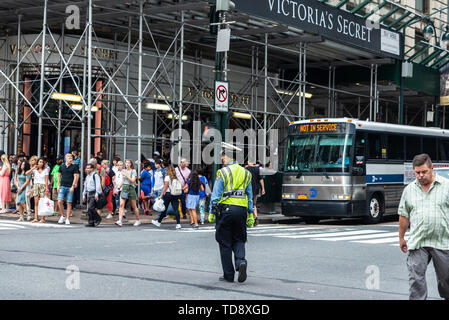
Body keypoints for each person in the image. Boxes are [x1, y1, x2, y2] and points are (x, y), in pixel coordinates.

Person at [398, 153, 449, 300]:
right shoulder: (409, 190)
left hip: (443, 241)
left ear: (432, 168)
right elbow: (404, 215)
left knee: (446, 279)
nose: (420, 176)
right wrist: (401, 237)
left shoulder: (446, 186)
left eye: (424, 172)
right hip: (418, 241)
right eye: (417, 172)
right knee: (415, 278)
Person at [208, 144, 254, 283]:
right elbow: (249, 196)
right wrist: (250, 213)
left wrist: (211, 212)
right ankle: (241, 261)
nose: (222, 158)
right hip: (241, 210)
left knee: (224, 242)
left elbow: (215, 196)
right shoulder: (247, 173)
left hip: (226, 210)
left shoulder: (223, 172)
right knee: (239, 239)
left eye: (223, 156)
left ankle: (228, 275)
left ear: (229, 156)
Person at [151, 165, 183, 229]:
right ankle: (178, 224)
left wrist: (161, 195)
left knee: (164, 208)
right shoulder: (176, 177)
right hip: (175, 194)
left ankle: (159, 222)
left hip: (168, 194)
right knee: (176, 209)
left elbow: (165, 187)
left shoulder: (167, 177)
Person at [115, 159, 141, 227]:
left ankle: (138, 220)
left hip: (131, 188)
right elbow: (123, 181)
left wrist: (126, 175)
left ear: (131, 164)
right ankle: (120, 221)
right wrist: (118, 188)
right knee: (121, 204)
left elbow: (132, 180)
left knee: (134, 206)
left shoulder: (133, 171)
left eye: (128, 163)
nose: (127, 164)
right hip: (124, 188)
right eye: (126, 163)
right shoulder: (123, 170)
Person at [57, 153, 80, 225]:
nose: (71, 159)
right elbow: (59, 176)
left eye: (71, 158)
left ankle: (67, 218)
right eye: (69, 158)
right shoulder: (62, 166)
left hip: (70, 186)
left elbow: (76, 176)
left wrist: (73, 186)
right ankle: (63, 215)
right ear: (65, 159)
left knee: (69, 203)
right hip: (62, 185)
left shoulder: (74, 167)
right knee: (59, 201)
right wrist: (58, 185)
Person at [29, 158, 49, 223]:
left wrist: (46, 188)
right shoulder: (35, 170)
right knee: (36, 202)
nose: (41, 163)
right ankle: (36, 217)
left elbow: (46, 181)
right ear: (37, 163)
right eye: (39, 162)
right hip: (36, 185)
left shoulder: (45, 170)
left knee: (42, 202)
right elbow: (27, 173)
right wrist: (33, 168)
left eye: (42, 162)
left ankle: (43, 218)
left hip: (42, 185)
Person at [245, 161, 265, 227]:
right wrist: (263, 188)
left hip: (248, 189)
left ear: (248, 162)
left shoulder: (246, 169)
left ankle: (248, 220)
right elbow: (261, 179)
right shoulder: (257, 169)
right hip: (256, 189)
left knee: (247, 204)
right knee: (254, 204)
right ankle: (256, 217)